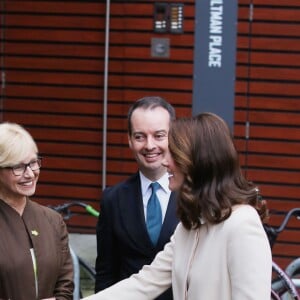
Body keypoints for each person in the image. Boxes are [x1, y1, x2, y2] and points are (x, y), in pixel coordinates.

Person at [84, 112, 272, 300]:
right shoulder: (188, 227)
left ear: (197, 161)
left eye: (173, 154)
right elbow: (144, 283)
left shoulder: (242, 224)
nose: (165, 162)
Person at [94, 96, 179, 300]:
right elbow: (106, 272)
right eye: (140, 136)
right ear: (130, 140)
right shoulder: (113, 199)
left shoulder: (195, 195)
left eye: (159, 135)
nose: (150, 146)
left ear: (173, 136)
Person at [0, 122, 74, 300]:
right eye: (18, 167)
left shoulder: (53, 221)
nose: (30, 174)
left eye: (33, 163)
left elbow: (66, 288)